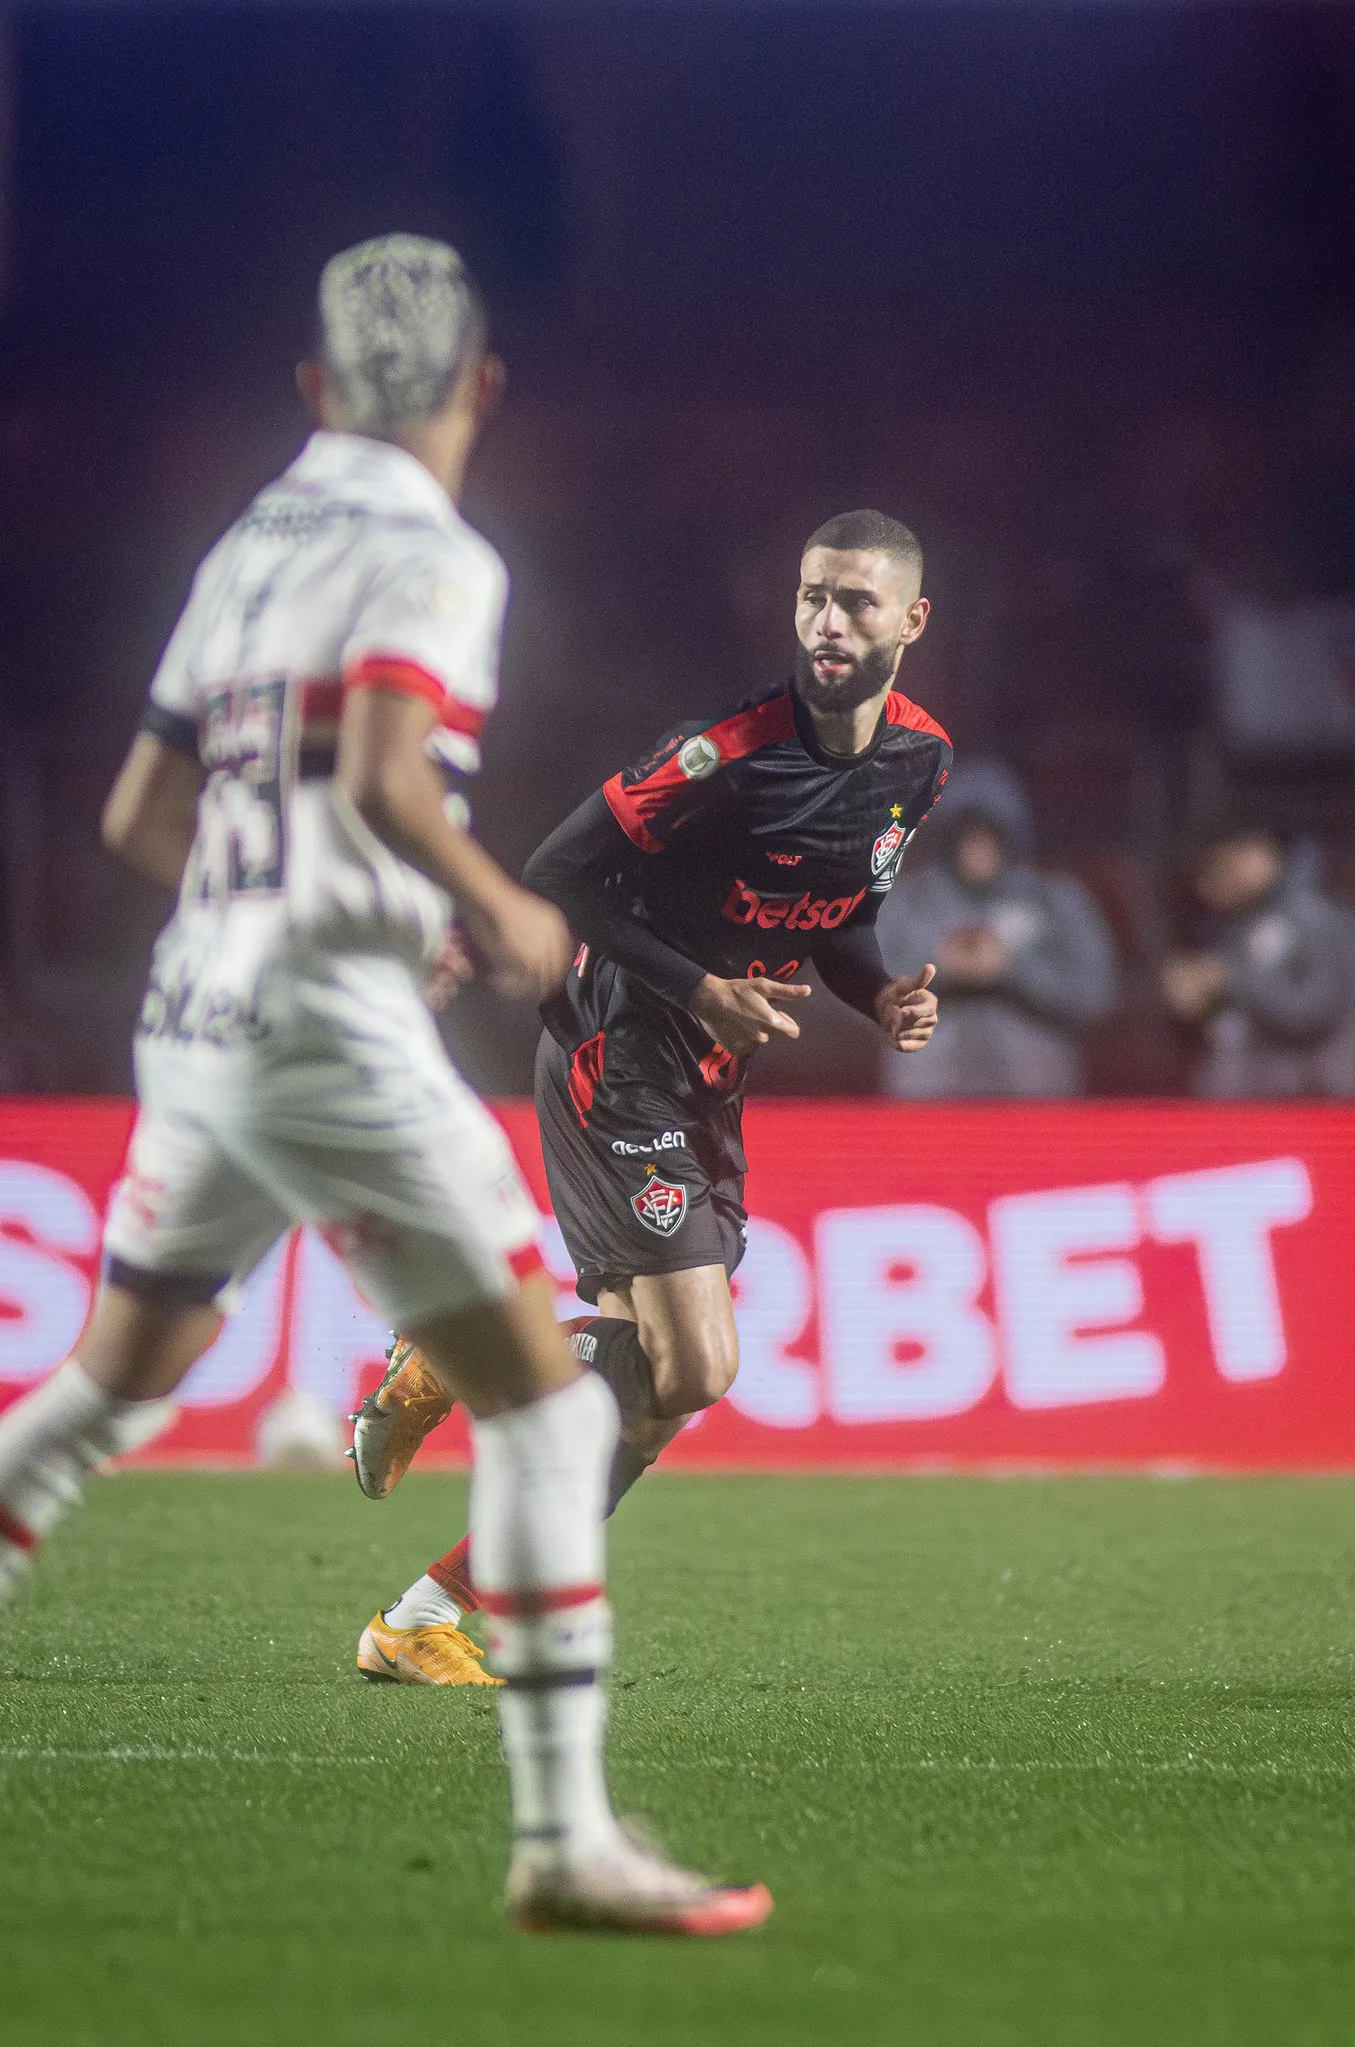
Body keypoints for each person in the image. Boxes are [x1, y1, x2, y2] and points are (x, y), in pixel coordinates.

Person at [0, 235, 769, 1937]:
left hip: (191, 1011)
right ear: (482, 390)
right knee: (561, 1407)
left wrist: (269, 896)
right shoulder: (435, 553)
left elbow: (136, 814)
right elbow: (391, 767)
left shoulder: (243, 545)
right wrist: (488, 905)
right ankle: (564, 1840)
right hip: (329, 1031)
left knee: (116, 1381)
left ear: (312, 391)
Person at [350, 508, 951, 1678]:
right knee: (701, 1365)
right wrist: (700, 986)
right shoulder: (725, 751)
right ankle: (452, 1357)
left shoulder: (920, 762)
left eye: (857, 603)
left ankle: (423, 1615)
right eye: (813, 596)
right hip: (617, 1046)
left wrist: (876, 997)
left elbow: (848, 911)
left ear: (911, 621)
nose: (828, 621)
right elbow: (560, 876)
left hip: (712, 1073)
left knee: (656, 1399)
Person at [874, 758, 1119, 1096]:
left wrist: (1013, 969)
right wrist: (937, 969)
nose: (980, 847)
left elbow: (1095, 997)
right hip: (930, 1102)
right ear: (948, 839)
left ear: (1012, 837)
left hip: (1034, 1104)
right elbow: (858, 999)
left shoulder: (1056, 902)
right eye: (968, 835)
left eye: (992, 835)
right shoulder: (907, 905)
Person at [1161, 809, 1355, 1098]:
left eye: (1218, 866)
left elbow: (1316, 1012)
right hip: (1257, 1112)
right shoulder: (1248, 918)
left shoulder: (1316, 916)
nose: (1206, 885)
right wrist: (1198, 1001)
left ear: (1257, 853)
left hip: (1311, 1108)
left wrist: (1227, 980)